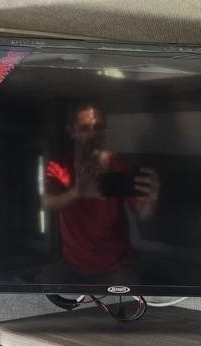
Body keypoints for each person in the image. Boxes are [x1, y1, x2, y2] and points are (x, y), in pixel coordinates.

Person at [39, 101, 160, 284]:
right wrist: (77, 192)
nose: (93, 134)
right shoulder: (59, 165)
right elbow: (48, 202)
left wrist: (152, 199)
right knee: (46, 283)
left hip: (115, 265)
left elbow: (143, 214)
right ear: (71, 131)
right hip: (73, 264)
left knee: (127, 289)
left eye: (98, 127)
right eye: (85, 128)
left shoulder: (116, 165)